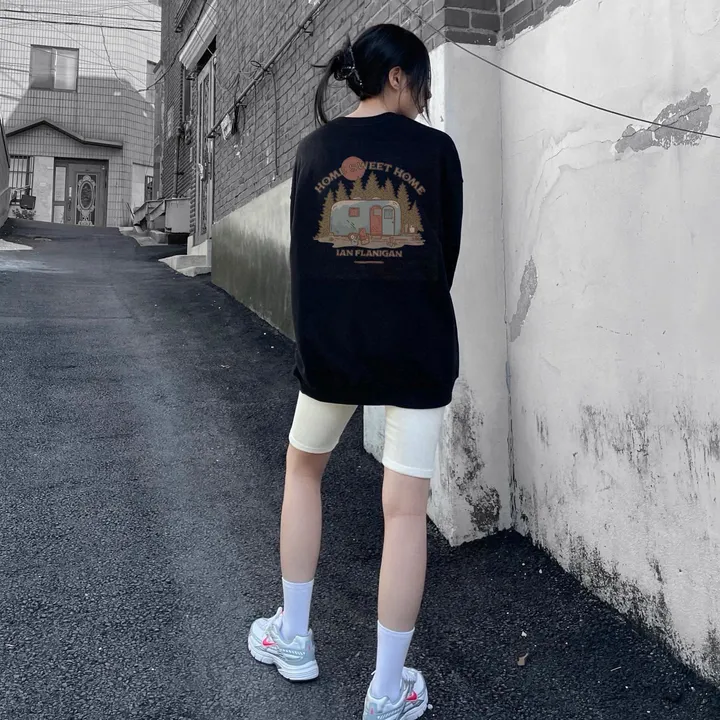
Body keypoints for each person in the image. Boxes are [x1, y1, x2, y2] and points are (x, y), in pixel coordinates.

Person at [248, 23, 464, 720]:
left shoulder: (314, 150)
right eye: (420, 83)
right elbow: (445, 256)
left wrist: (316, 343)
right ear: (397, 77)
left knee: (303, 470)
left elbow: (305, 261)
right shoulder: (436, 151)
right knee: (405, 510)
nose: (424, 98)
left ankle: (293, 637)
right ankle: (387, 689)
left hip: (333, 351)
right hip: (417, 348)